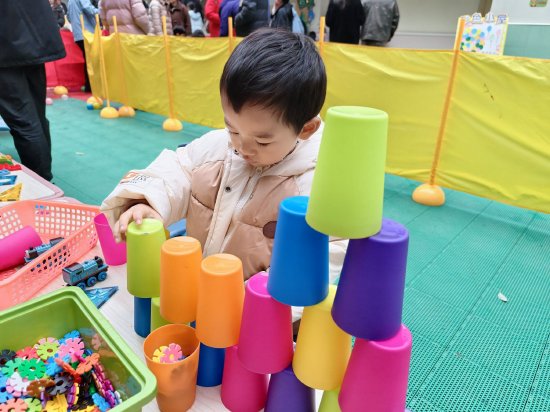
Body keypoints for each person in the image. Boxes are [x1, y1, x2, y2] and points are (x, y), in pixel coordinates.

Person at [101, 29, 345, 323]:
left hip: (257, 320)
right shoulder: (218, 147)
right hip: (200, 300)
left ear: (305, 129)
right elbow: (178, 168)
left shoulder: (317, 186)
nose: (243, 147)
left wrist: (251, 302)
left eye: (262, 141)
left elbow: (324, 256)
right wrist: (149, 202)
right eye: (233, 129)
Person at [0, 0, 66, 181]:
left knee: (24, 121)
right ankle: (44, 176)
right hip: (32, 42)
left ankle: (40, 179)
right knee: (36, 115)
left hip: (6, 46)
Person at [67, 0, 98, 93]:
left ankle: (88, 85)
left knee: (88, 59)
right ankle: (91, 86)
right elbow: (88, 9)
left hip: (78, 34)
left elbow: (69, 17)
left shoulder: (70, 1)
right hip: (87, 32)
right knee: (91, 60)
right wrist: (102, 11)